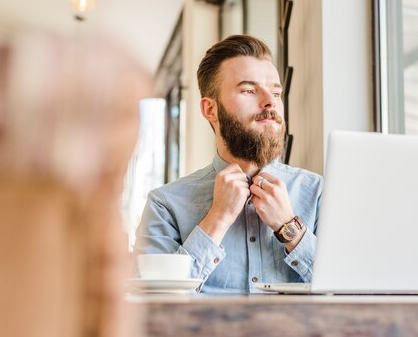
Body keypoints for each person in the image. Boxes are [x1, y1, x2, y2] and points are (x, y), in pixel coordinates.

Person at [134, 35, 323, 293]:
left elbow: (351, 292)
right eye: (249, 90)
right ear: (210, 109)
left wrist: (290, 228)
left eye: (276, 92)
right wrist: (217, 219)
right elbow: (153, 307)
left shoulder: (318, 194)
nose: (270, 101)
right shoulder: (164, 205)